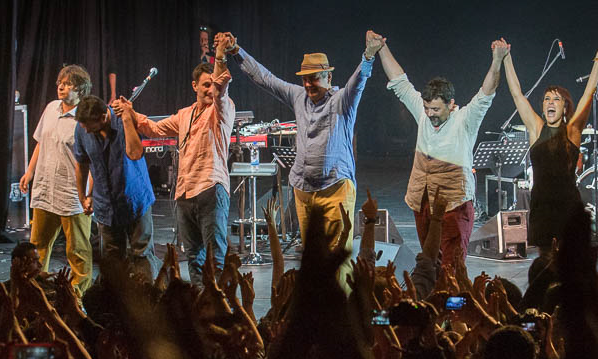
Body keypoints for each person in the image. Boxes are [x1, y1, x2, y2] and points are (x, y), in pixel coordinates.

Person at [220, 31, 383, 259]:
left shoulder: (342, 100)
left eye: (314, 77)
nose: (308, 84)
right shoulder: (298, 96)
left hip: (335, 188)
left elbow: (358, 82)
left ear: (327, 76)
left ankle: (339, 296)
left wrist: (369, 56)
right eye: (305, 78)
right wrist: (237, 51)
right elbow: (265, 79)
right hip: (304, 190)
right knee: (313, 260)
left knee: (337, 259)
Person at [373, 33, 504, 267]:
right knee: (430, 263)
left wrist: (497, 60)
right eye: (427, 108)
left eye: (436, 109)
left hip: (454, 205)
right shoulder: (424, 114)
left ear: (451, 104)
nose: (430, 114)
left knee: (452, 268)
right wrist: (381, 47)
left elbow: (486, 92)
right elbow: (400, 83)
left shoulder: (465, 119)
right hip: (423, 202)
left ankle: (453, 303)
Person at [503, 41, 598, 282]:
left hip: (567, 206)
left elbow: (588, 93)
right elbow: (516, 94)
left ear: (565, 107)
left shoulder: (573, 130)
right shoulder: (536, 128)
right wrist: (506, 57)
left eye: (555, 99)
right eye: (546, 99)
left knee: (568, 265)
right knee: (545, 264)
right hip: (542, 205)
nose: (550, 103)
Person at [128, 36, 234, 281]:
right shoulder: (185, 114)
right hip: (185, 193)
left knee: (214, 257)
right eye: (205, 85)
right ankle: (199, 308)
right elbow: (153, 128)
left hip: (210, 188)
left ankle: (220, 310)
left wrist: (219, 55)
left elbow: (222, 86)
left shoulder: (222, 107)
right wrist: (130, 113)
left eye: (212, 84)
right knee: (194, 257)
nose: (210, 89)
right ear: (194, 86)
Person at [19, 64, 95, 295]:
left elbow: (92, 161)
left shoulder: (84, 117)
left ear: (80, 90)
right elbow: (41, 142)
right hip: (45, 189)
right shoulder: (51, 108)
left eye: (67, 84)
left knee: (78, 249)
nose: (61, 87)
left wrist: (89, 194)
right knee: (37, 246)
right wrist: (29, 172)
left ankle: (78, 295)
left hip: (72, 194)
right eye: (60, 83)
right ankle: (33, 290)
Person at [72, 95, 160, 279]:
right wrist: (83, 196)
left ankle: (147, 303)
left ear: (103, 117)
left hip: (135, 201)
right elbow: (81, 164)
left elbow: (135, 153)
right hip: (105, 205)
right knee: (112, 263)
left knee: (141, 257)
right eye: (83, 126)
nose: (86, 131)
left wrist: (127, 119)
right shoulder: (82, 130)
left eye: (90, 126)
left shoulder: (124, 120)